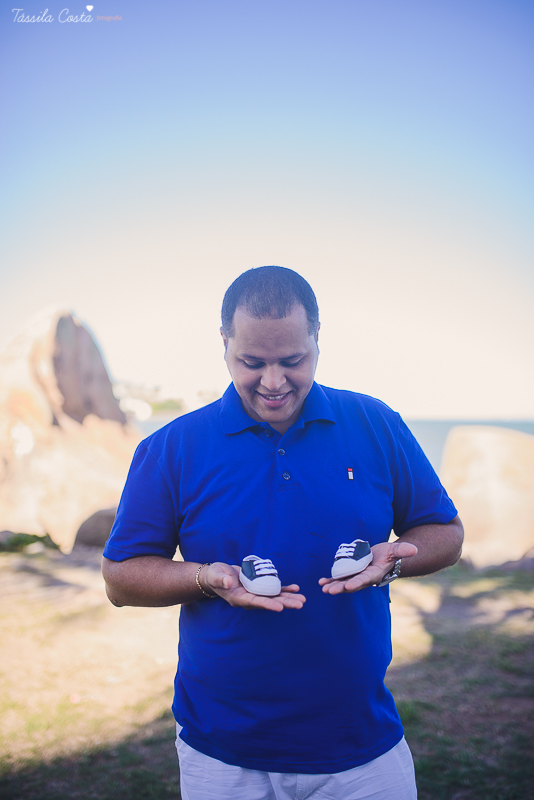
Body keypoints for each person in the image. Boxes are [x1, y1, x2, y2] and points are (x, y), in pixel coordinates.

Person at [102, 266, 463, 800]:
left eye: (293, 360)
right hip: (221, 754)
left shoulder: (376, 423)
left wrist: (394, 560)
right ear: (224, 343)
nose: (273, 382)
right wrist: (207, 579)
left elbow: (446, 532)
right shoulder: (172, 446)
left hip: (361, 745)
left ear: (317, 338)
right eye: (252, 362)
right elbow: (120, 579)